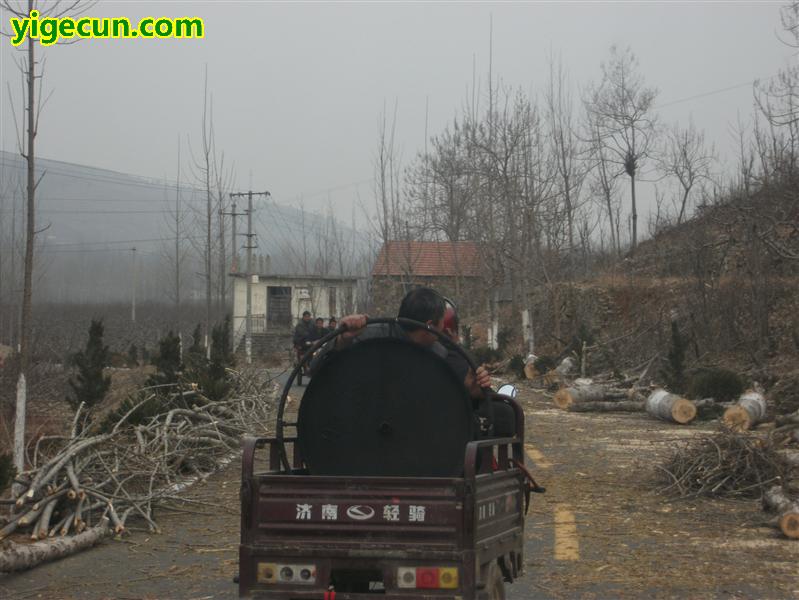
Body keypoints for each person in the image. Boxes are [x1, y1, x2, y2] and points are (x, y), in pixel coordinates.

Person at [322, 287, 490, 398]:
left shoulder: (439, 354)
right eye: (441, 323)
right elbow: (319, 372)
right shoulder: (365, 337)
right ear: (431, 325)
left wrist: (473, 385)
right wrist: (342, 339)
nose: (442, 331)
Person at [293, 311, 315, 385]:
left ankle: (312, 365)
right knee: (303, 355)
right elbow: (301, 334)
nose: (307, 318)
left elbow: (315, 331)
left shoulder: (312, 323)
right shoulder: (300, 325)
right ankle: (306, 367)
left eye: (308, 316)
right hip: (301, 343)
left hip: (310, 343)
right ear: (303, 317)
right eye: (306, 316)